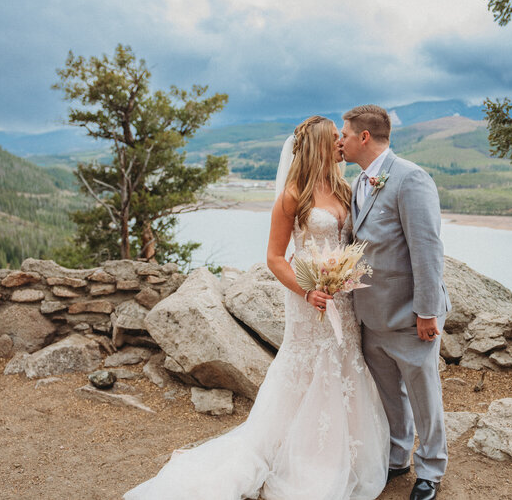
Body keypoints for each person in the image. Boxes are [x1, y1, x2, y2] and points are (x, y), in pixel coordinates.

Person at [124, 116, 390, 500]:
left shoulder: (344, 188)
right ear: (316, 143)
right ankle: (297, 459)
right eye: (334, 138)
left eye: (342, 137)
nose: (341, 143)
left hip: (344, 304)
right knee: (307, 370)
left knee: (344, 366)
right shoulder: (292, 196)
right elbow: (275, 258)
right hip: (309, 301)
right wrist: (308, 289)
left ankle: (341, 453)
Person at [338, 105, 450, 500]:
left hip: (408, 315)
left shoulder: (410, 178)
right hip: (370, 314)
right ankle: (398, 457)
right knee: (389, 394)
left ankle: (431, 470)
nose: (340, 141)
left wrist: (427, 311)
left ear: (363, 137)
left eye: (345, 134)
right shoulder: (358, 182)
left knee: (424, 395)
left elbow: (427, 249)